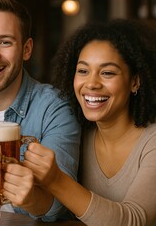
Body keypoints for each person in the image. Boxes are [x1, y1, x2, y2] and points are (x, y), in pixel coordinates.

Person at [0, 0, 81, 222]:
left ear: (26, 49)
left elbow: (61, 205)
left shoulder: (55, 108)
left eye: (4, 42)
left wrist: (32, 198)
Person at [24, 19, 156, 226]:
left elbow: (135, 220)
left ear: (135, 81)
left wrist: (56, 180)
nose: (91, 84)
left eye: (107, 73)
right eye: (83, 71)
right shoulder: (77, 133)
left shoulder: (152, 143)